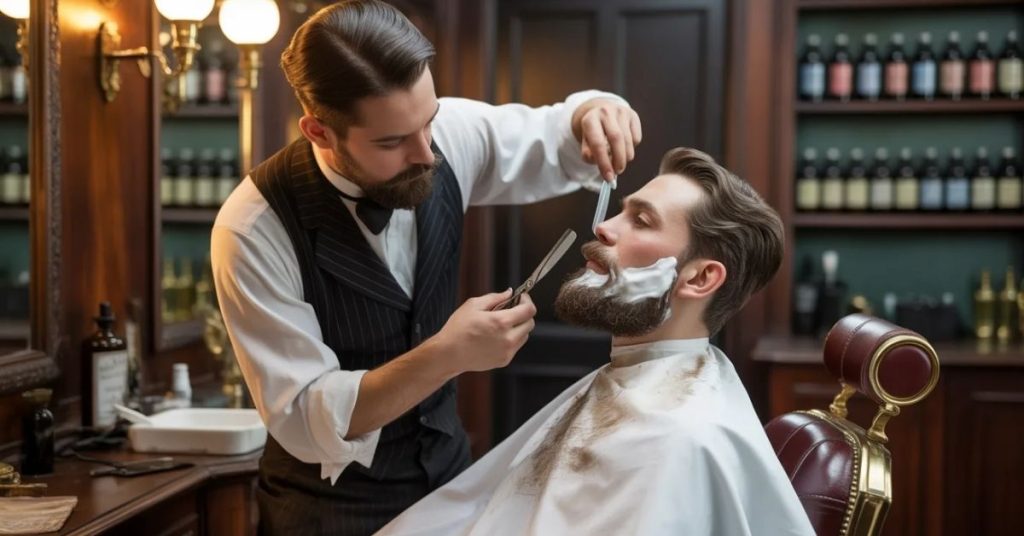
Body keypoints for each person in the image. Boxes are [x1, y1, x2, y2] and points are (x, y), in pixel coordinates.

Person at [209, 1, 641, 534]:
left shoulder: (438, 135)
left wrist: (594, 110)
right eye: (391, 141)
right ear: (319, 132)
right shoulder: (253, 229)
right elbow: (303, 415)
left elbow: (554, 135)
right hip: (328, 510)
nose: (428, 154)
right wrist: (446, 355)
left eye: (429, 120)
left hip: (450, 483)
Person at [376, 148, 815, 536]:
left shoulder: (679, 439)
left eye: (640, 220)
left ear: (700, 278)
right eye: (620, 211)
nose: (604, 227)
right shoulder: (637, 376)